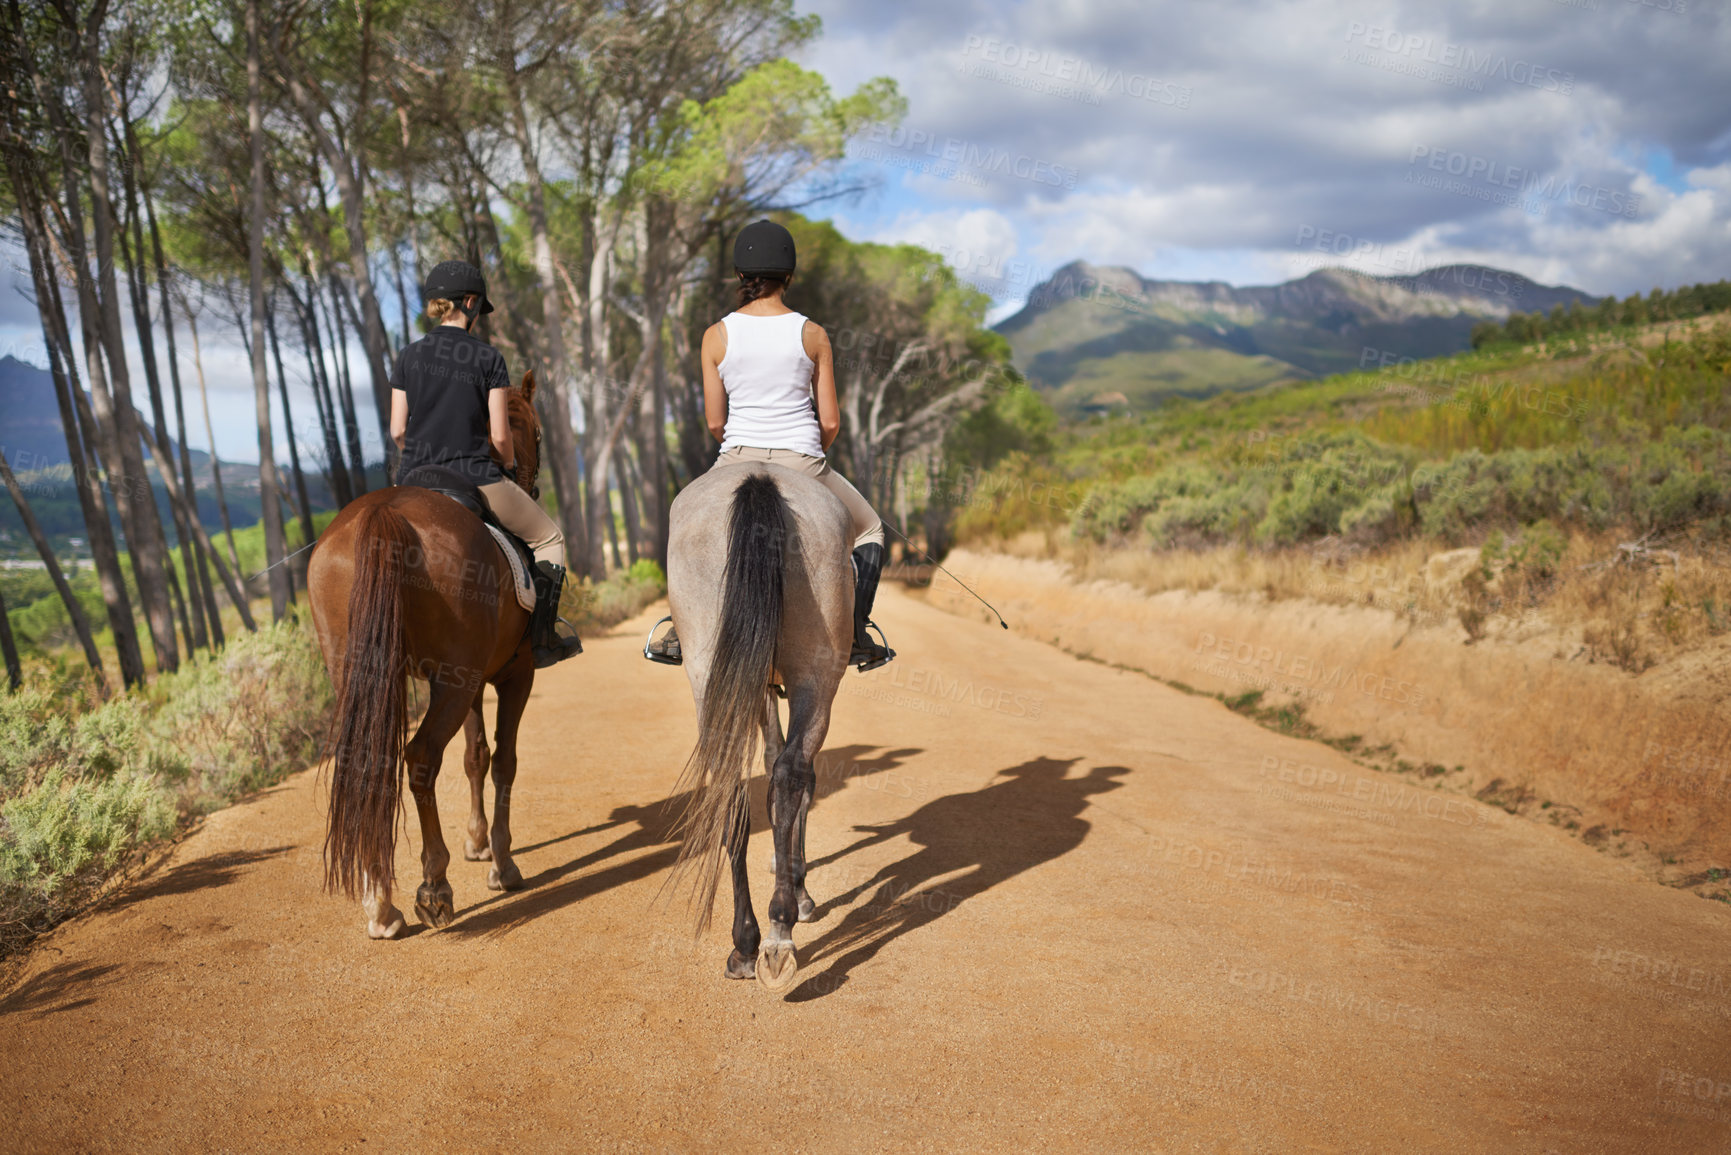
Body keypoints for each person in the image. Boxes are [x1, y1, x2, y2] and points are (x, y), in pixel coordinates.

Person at [646, 219, 894, 671]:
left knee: (683, 511)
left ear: (741, 276)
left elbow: (715, 421)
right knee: (873, 529)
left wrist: (740, 448)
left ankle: (679, 630)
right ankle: (857, 632)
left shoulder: (716, 335)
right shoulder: (813, 333)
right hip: (802, 459)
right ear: (790, 276)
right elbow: (831, 421)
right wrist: (808, 453)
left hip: (735, 458)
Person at [390, 259, 582, 668]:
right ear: (471, 303)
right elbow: (499, 437)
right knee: (550, 540)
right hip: (474, 477)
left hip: (413, 480)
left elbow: (396, 431)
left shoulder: (408, 356)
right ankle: (544, 639)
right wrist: (509, 466)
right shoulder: (488, 357)